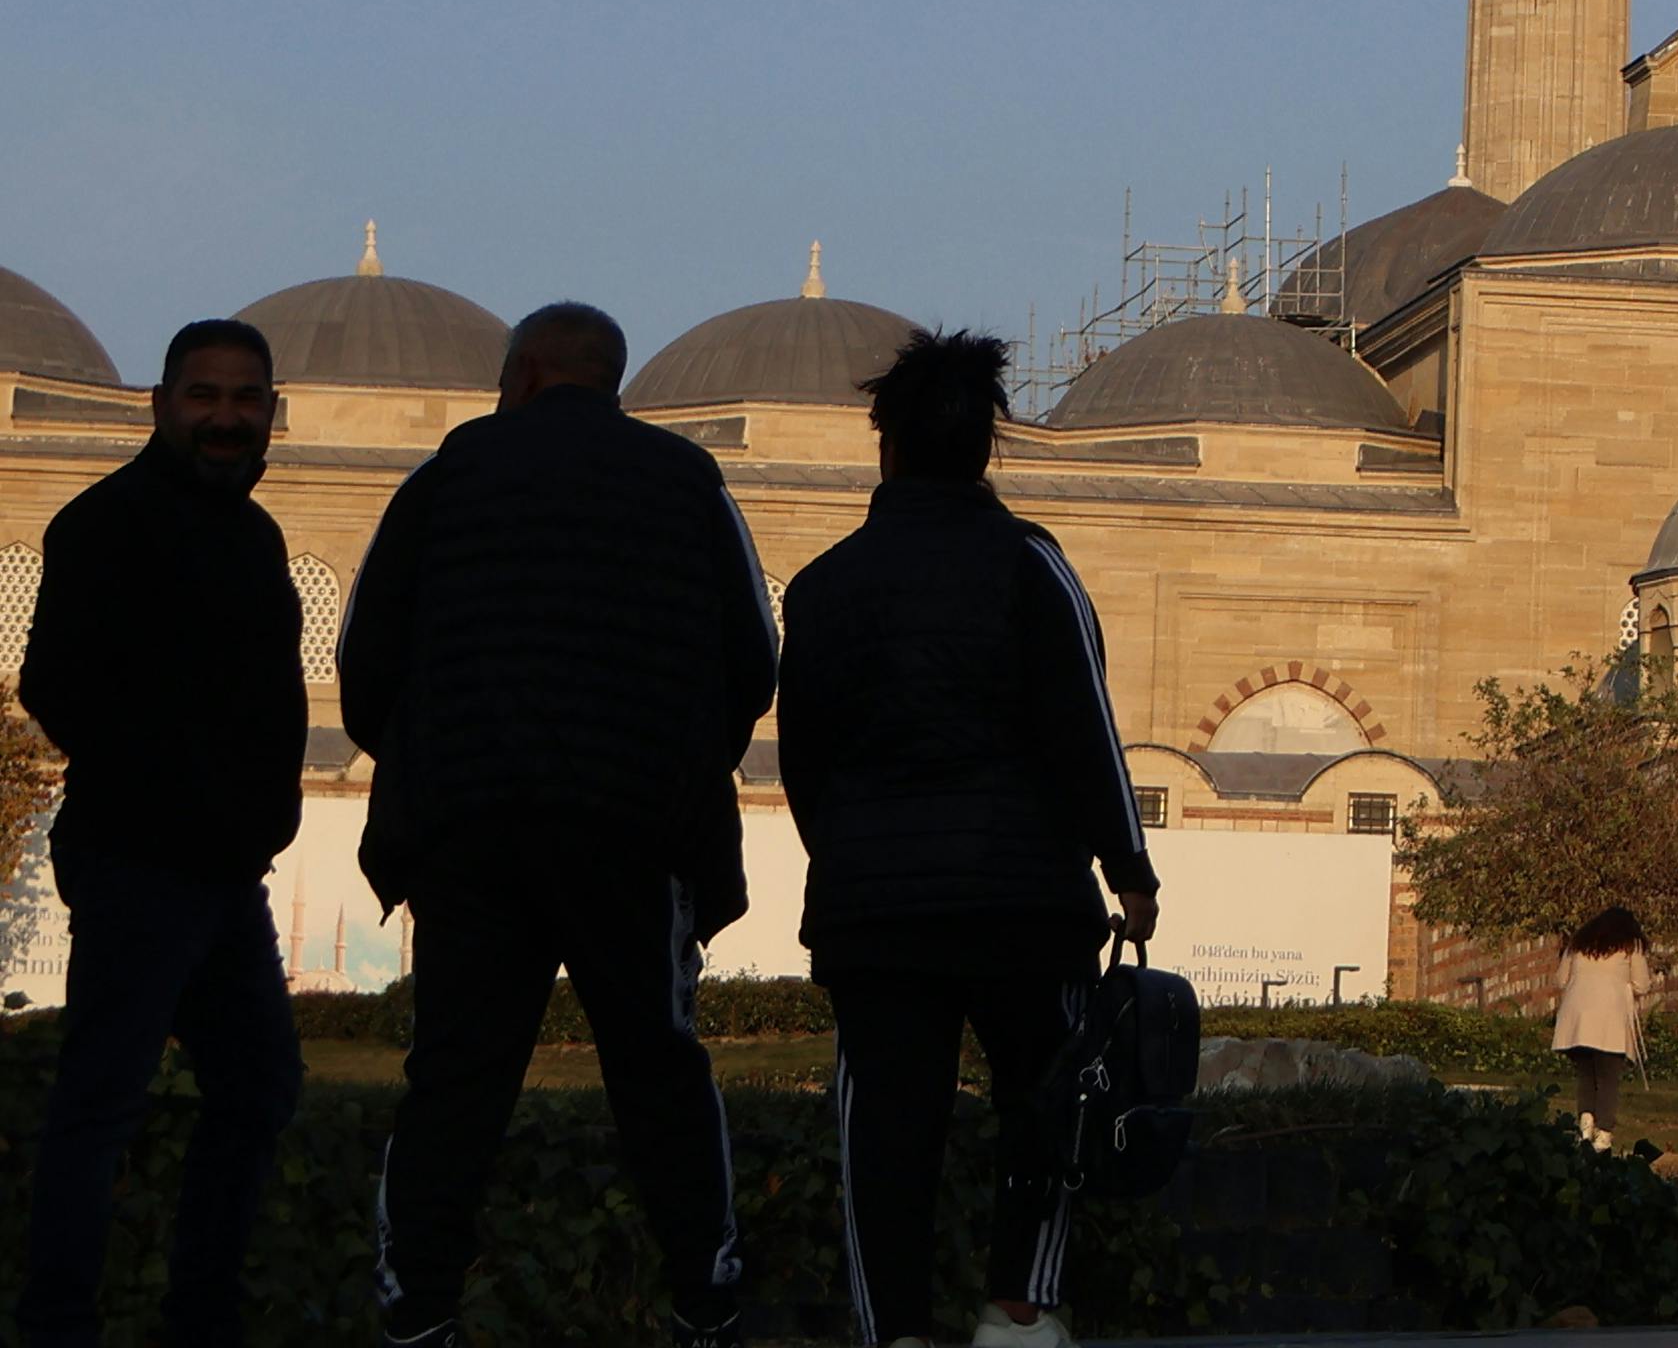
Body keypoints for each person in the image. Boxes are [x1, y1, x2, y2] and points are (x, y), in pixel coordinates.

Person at [338, 300, 781, 1348]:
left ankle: (417, 1306)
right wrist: (670, 757)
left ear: (525, 373)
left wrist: (432, 760)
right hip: (635, 830)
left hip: (472, 829)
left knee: (455, 1071)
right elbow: (753, 661)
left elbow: (365, 662)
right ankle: (705, 1297)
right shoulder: (686, 485)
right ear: (608, 379)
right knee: (659, 1065)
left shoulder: (445, 478)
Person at [776, 328, 1162, 1348]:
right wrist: (1130, 868)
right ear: (988, 448)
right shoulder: (1032, 565)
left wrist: (856, 854)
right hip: (1025, 901)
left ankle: (893, 1329)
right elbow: (1084, 724)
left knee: (886, 1130)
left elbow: (804, 762)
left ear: (885, 446)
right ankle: (1019, 1308)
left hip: (878, 913)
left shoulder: (823, 586)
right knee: (1047, 1107)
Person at [14, 320, 310, 1348]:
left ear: (271, 409)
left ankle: (200, 1311)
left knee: (258, 1085)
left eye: (245, 397)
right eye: (206, 395)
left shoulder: (253, 533)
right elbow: (58, 681)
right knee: (105, 1097)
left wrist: (253, 820)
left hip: (222, 868)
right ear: (163, 402)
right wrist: (173, 794)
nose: (226, 416)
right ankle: (60, 1320)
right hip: (144, 858)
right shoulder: (112, 522)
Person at [1552, 909, 1650, 1143]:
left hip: (1575, 1019)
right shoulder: (1630, 945)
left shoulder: (1578, 942)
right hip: (1610, 1019)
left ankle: (1585, 1122)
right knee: (1608, 1078)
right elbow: (1642, 984)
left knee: (1586, 1075)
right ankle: (1603, 1133)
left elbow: (1560, 979)